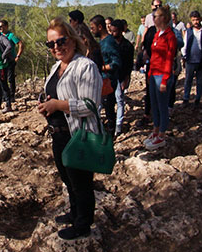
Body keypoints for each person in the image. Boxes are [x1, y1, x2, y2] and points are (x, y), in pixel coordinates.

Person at [37, 18, 103, 240]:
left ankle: (83, 224)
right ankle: (75, 214)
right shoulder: (57, 66)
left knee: (81, 183)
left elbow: (90, 105)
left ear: (73, 40)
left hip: (79, 135)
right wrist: (46, 103)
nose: (56, 47)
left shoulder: (85, 66)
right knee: (68, 179)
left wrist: (57, 105)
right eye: (51, 44)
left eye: (61, 41)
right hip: (59, 134)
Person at [143, 5, 177, 151]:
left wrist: (164, 80)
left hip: (163, 76)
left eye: (156, 16)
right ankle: (155, 130)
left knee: (163, 106)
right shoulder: (157, 35)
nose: (154, 18)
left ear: (163, 18)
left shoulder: (170, 36)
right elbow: (154, 57)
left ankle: (162, 135)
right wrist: (150, 73)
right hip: (153, 74)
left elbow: (169, 59)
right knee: (154, 105)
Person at [90, 15, 121, 133]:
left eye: (93, 28)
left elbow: (116, 63)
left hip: (108, 82)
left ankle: (111, 133)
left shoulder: (109, 42)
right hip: (101, 81)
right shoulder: (102, 42)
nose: (92, 31)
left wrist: (101, 68)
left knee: (108, 110)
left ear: (100, 27)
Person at [110, 19, 134, 136]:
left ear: (120, 31)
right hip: (109, 77)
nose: (113, 33)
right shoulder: (109, 43)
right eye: (111, 31)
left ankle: (118, 126)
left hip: (120, 77)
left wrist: (126, 78)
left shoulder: (127, 46)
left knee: (119, 100)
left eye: (115, 31)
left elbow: (129, 64)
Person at [182, 10, 202, 106]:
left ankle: (198, 98)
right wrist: (184, 56)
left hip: (201, 60)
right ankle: (186, 98)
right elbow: (184, 44)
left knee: (200, 81)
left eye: (197, 19)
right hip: (190, 59)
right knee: (188, 80)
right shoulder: (189, 31)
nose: (196, 22)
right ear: (191, 20)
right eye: (194, 20)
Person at [0, 19, 23, 98]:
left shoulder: (11, 35)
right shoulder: (0, 35)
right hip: (2, 60)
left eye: (1, 26)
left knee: (10, 78)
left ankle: (12, 95)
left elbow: (20, 44)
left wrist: (18, 56)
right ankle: (5, 95)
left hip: (11, 59)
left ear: (6, 26)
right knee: (3, 78)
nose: (0, 28)